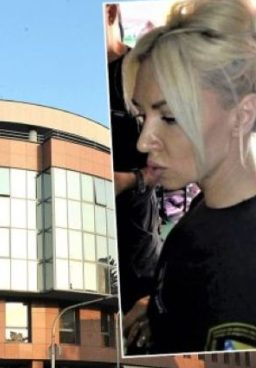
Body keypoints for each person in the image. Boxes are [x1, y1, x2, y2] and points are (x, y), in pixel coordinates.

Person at [121, 0, 256, 354]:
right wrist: (161, 312)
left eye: (170, 117)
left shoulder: (246, 289)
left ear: (242, 115)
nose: (143, 141)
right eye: (142, 115)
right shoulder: (239, 190)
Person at [106, 4, 163, 327]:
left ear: (110, 12)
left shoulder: (142, 73)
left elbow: (173, 163)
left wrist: (126, 181)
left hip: (135, 231)